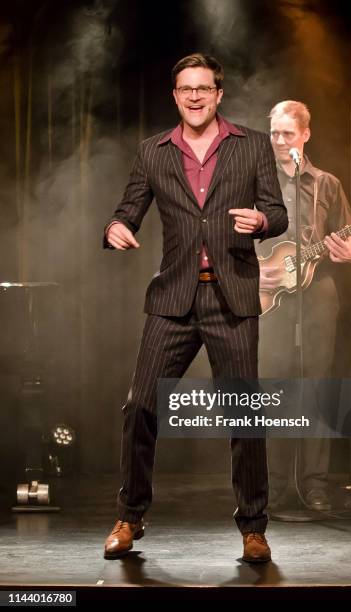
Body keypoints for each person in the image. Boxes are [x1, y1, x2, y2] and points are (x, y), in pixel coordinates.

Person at [103, 54, 288, 562]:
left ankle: (253, 528)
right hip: (174, 298)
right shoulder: (154, 152)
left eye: (204, 88)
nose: (195, 96)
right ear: (175, 95)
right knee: (140, 405)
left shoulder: (251, 146)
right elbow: (127, 212)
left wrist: (263, 222)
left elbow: (277, 212)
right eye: (186, 88)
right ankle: (130, 516)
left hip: (231, 296)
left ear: (219, 94)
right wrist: (116, 229)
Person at [258, 100, 351, 511]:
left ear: (305, 134)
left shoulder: (326, 184)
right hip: (271, 298)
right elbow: (229, 240)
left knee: (316, 389)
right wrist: (252, 270)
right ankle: (275, 483)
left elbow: (347, 238)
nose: (280, 142)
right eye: (274, 134)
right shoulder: (257, 182)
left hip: (318, 296)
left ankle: (315, 485)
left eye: (287, 134)